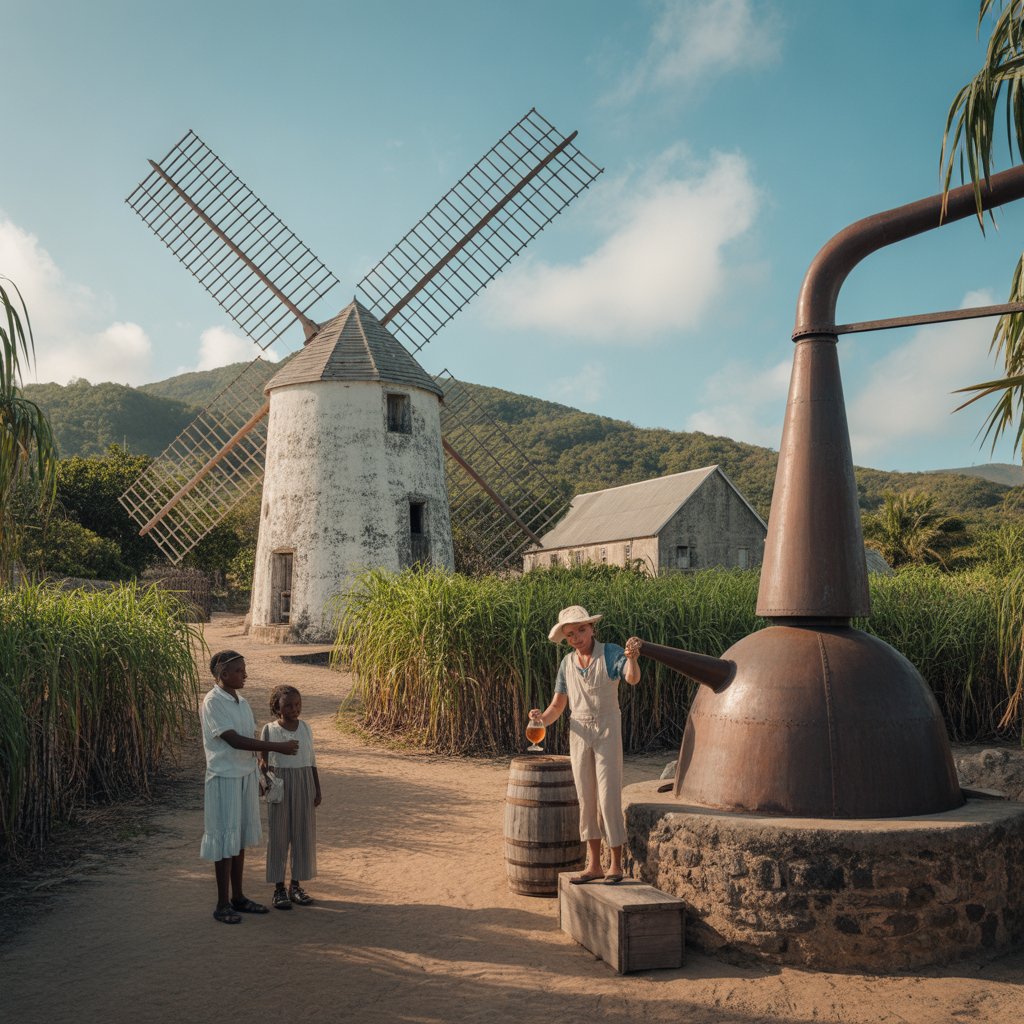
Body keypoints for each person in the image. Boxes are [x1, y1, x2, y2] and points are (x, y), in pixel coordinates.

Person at [530, 606, 641, 885]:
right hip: (578, 732)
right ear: (566, 639)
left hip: (606, 729)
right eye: (570, 634)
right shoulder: (567, 663)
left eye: (581, 630)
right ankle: (593, 865)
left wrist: (632, 659)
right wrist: (540, 719)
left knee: (608, 795)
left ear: (592, 628)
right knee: (586, 798)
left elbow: (631, 677)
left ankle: (615, 864)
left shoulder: (612, 652)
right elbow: (558, 705)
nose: (577, 637)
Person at [201, 650, 300, 924]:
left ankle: (238, 897)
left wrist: (260, 769)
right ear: (223, 674)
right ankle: (222, 904)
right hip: (224, 776)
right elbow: (233, 740)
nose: (245, 674)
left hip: (243, 774)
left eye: (244, 669)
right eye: (239, 671)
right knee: (224, 839)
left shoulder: (240, 701)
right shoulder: (213, 702)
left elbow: (248, 739)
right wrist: (276, 747)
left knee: (239, 839)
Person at [259, 685, 321, 909]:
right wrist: (266, 782)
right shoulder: (269, 729)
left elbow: (311, 760)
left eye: (298, 705)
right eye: (288, 705)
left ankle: (296, 886)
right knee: (279, 834)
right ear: (277, 707)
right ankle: (278, 889)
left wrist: (317, 788)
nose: (294, 709)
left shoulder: (305, 728)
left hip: (304, 782)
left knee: (302, 834)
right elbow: (263, 761)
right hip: (280, 783)